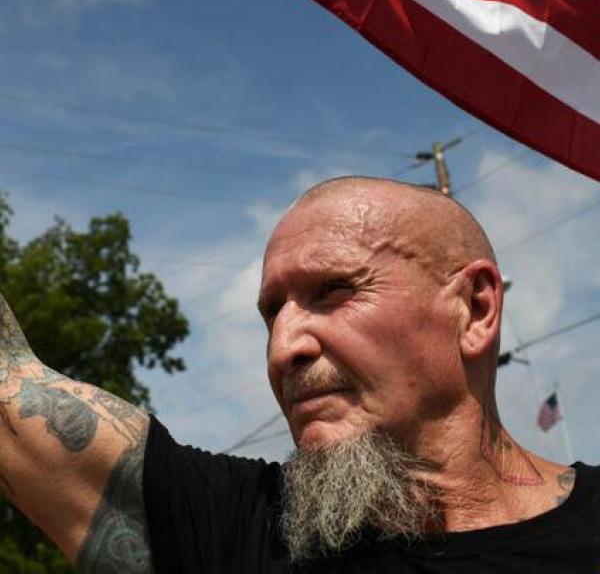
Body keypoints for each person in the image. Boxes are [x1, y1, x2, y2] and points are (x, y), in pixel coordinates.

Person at [0, 176, 598, 572]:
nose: (282, 349)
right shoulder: (233, 532)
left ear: (475, 308)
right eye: (271, 313)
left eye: (334, 290)